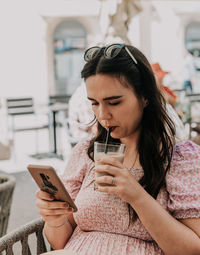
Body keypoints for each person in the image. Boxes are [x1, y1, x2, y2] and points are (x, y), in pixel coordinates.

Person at [36, 44, 200, 255]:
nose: (103, 115)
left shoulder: (179, 158)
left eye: (114, 102)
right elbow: (60, 242)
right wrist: (54, 218)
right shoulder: (87, 152)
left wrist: (136, 196)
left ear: (144, 97)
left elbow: (193, 250)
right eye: (94, 103)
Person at [151, 62, 187, 141]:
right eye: (160, 77)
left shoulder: (165, 89)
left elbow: (176, 102)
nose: (162, 79)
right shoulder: (152, 94)